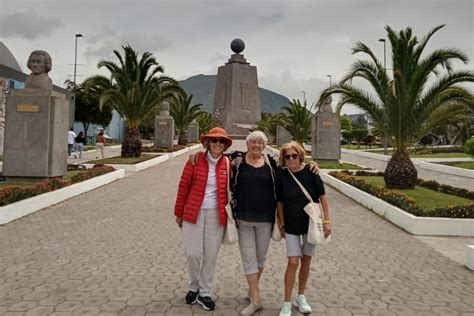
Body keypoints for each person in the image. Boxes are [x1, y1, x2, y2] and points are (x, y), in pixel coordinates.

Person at [174, 127, 233, 311]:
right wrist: (179, 213)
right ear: (207, 142)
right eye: (214, 141)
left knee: (210, 256)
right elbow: (183, 186)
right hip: (194, 212)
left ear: (225, 145)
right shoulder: (195, 160)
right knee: (193, 253)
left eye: (221, 141)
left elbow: (254, 157)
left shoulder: (229, 163)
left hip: (217, 215)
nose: (217, 144)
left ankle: (205, 291)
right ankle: (193, 285)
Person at [276, 141, 331, 316]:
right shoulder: (282, 175)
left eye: (294, 155)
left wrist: (327, 221)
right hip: (291, 224)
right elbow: (280, 202)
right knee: (293, 262)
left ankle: (300, 296)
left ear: (300, 155)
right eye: (287, 156)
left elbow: (322, 197)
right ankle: (286, 302)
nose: (291, 159)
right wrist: (281, 223)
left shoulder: (311, 172)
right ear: (283, 159)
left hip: (311, 224)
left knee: (306, 260)